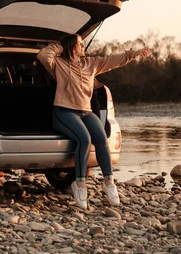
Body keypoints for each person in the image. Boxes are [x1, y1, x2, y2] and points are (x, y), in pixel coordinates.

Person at [37, 34, 148, 209]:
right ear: (72, 46)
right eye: (80, 44)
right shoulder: (58, 64)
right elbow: (43, 55)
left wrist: (133, 53)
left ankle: (109, 182)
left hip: (86, 112)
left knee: (102, 140)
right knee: (84, 139)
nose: (83, 47)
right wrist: (59, 46)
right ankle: (80, 185)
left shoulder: (91, 63)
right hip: (64, 112)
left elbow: (113, 60)